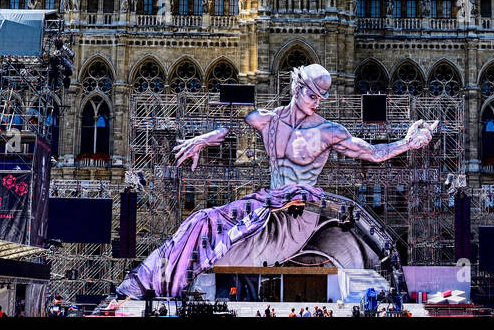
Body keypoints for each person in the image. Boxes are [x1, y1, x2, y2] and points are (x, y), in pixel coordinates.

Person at [119, 64, 439, 298]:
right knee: (199, 220)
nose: (318, 101)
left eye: (322, 96)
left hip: (296, 216)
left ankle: (160, 286)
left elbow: (370, 152)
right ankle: (145, 286)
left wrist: (407, 144)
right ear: (297, 88)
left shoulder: (327, 131)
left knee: (220, 238)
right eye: (313, 94)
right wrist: (205, 138)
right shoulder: (269, 121)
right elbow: (233, 121)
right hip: (268, 206)